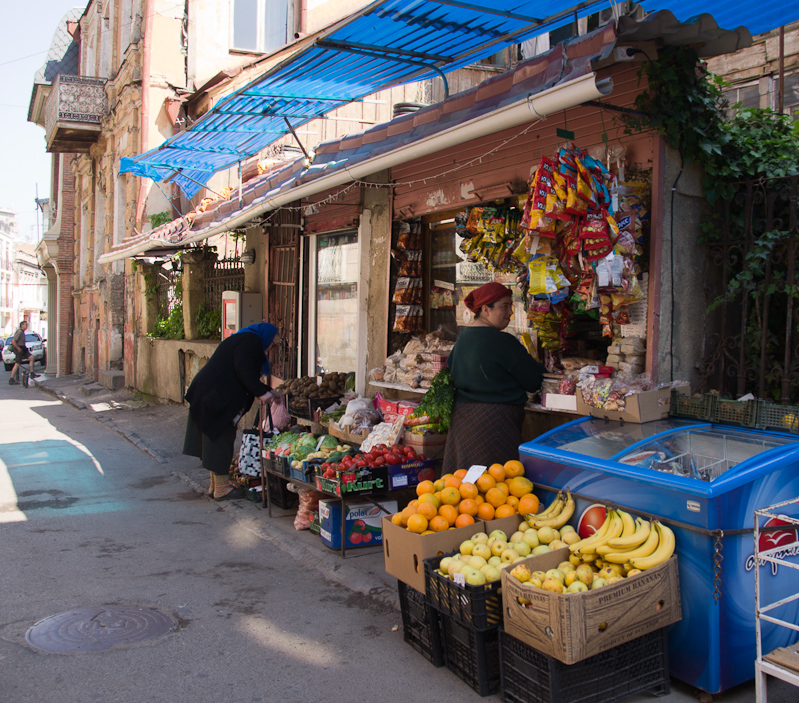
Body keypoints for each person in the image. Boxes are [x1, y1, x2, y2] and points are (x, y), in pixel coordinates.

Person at [442, 281, 545, 474]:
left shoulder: (463, 338)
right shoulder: (502, 341)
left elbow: (451, 371)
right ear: (485, 310)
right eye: (504, 307)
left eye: (510, 306)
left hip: (463, 422)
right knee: (495, 483)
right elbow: (533, 380)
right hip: (494, 423)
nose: (510, 313)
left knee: (466, 483)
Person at [182, 322, 280, 500]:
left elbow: (245, 372)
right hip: (215, 397)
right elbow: (244, 370)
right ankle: (221, 488)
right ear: (266, 336)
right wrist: (262, 393)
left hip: (209, 393)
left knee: (215, 437)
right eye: (272, 343)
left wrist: (266, 390)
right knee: (220, 438)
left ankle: (216, 485)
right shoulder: (251, 341)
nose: (271, 347)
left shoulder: (244, 339)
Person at [9, 320, 38, 385]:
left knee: (32, 357)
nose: (26, 326)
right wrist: (18, 348)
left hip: (23, 348)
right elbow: (13, 341)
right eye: (25, 325)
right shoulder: (19, 332)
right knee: (17, 364)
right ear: (22, 325)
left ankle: (32, 373)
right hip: (19, 348)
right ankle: (11, 379)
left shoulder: (23, 332)